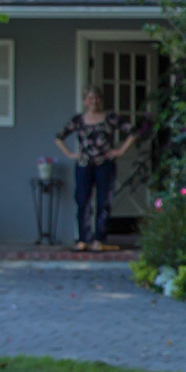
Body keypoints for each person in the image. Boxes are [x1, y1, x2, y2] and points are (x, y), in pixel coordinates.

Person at [54, 87, 139, 251]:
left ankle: (99, 239)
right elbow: (59, 137)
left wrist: (120, 151)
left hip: (104, 163)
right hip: (84, 164)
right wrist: (71, 154)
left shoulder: (110, 118)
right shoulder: (78, 120)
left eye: (97, 98)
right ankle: (83, 239)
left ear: (101, 100)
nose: (94, 101)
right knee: (82, 201)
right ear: (85, 101)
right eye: (90, 98)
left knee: (104, 201)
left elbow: (133, 132)